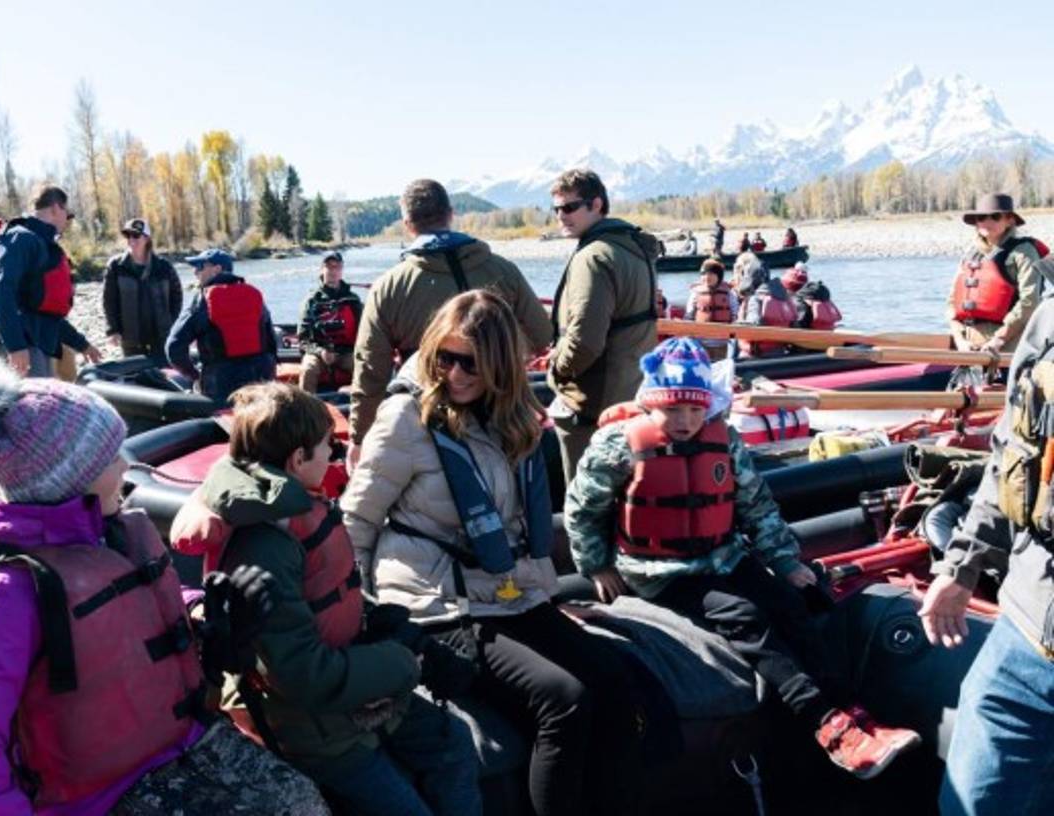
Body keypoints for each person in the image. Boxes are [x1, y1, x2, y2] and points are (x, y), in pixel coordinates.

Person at [0, 353, 328, 816]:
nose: (125, 468)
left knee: (299, 798)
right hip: (93, 793)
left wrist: (205, 610)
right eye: (110, 458)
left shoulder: (109, 530)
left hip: (172, 742)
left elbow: (130, 611)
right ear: (67, 481)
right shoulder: (7, 592)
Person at [342, 290, 664, 816]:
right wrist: (359, 625)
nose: (457, 374)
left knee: (614, 676)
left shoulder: (512, 421)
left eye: (473, 362)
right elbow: (356, 520)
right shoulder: (407, 419)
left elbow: (518, 531)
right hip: (436, 607)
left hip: (507, 596)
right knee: (563, 699)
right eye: (445, 358)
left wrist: (546, 601)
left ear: (500, 367)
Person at [565, 337, 923, 780]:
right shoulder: (616, 445)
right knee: (745, 615)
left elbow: (756, 506)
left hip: (723, 554)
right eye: (672, 410)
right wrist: (596, 565)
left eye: (695, 410)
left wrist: (787, 561)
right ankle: (824, 723)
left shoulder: (724, 440)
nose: (685, 421)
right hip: (660, 571)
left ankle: (849, 705)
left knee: (792, 602)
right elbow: (583, 508)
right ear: (649, 404)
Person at [169, 382, 482, 816]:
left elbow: (324, 595)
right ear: (298, 460)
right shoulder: (266, 547)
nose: (333, 458)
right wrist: (404, 663)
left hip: (347, 696)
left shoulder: (295, 513)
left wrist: (385, 626)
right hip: (315, 728)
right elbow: (303, 674)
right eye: (326, 449)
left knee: (453, 743)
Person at [919, 297, 1054, 816]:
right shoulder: (1048, 320)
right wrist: (960, 566)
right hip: (1025, 634)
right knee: (970, 801)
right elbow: (1010, 454)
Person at [347, 179, 551, 470]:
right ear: (450, 213)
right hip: (502, 412)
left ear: (407, 224)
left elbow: (371, 370)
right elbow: (542, 334)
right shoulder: (504, 269)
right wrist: (496, 357)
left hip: (428, 416)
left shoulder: (388, 287)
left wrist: (360, 438)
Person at [548, 168, 659, 483]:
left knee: (585, 504)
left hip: (593, 407)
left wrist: (556, 368)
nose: (561, 216)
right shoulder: (635, 248)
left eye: (569, 207)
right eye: (556, 209)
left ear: (596, 204)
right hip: (631, 394)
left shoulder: (593, 257)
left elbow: (585, 341)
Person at [0, 184, 101, 377]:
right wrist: (15, 345)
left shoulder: (40, 243)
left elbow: (45, 315)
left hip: (36, 344)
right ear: (56, 208)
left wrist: (82, 345)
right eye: (67, 213)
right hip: (20, 348)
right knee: (25, 406)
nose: (67, 220)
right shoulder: (19, 238)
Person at [165, 248, 277, 407]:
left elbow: (173, 348)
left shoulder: (202, 301)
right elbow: (271, 342)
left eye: (200, 267)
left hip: (221, 386)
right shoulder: (254, 294)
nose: (195, 272)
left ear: (217, 270)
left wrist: (194, 375)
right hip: (260, 380)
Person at [947, 193, 1042, 354]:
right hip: (967, 346)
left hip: (1009, 345)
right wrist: (960, 340)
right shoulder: (971, 254)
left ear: (1009, 220)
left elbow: (1029, 301)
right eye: (982, 217)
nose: (987, 222)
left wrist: (999, 339)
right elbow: (951, 304)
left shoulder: (1023, 252)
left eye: (995, 217)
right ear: (976, 223)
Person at [102, 217, 183, 364]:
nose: (131, 240)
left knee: (163, 380)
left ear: (147, 238)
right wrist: (112, 330)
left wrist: (173, 324)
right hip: (131, 339)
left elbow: (176, 297)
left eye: (135, 235)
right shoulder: (115, 266)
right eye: (128, 236)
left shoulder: (164, 267)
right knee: (136, 381)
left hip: (161, 337)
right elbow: (109, 301)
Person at [297, 251, 363, 393]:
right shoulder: (311, 301)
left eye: (337, 267)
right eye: (329, 267)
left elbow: (365, 332)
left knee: (365, 368)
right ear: (322, 270)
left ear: (341, 270)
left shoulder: (353, 300)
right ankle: (306, 410)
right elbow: (303, 339)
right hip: (319, 353)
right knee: (308, 369)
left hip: (347, 353)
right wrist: (321, 352)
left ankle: (363, 409)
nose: (333, 271)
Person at [735, 252, 797, 357]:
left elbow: (754, 325)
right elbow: (794, 322)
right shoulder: (785, 297)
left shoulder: (755, 299)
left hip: (756, 356)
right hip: (779, 351)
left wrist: (735, 326)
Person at [684, 258, 737, 361]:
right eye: (704, 274)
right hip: (701, 342)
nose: (707, 277)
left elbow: (735, 314)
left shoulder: (729, 294)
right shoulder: (695, 293)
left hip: (722, 342)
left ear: (719, 276)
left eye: (711, 274)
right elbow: (689, 315)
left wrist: (732, 335)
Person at [784, 263, 843, 330]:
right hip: (826, 332)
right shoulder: (818, 295)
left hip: (805, 335)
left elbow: (800, 324)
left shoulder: (798, 300)